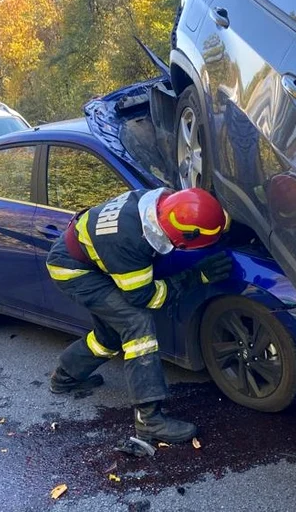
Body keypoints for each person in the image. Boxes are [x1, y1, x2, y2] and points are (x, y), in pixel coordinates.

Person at [45, 186, 233, 443]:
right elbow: (145, 297)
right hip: (75, 272)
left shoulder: (159, 203)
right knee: (136, 324)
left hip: (95, 259)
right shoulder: (129, 240)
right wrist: (195, 277)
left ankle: (64, 378)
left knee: (109, 337)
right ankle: (149, 420)